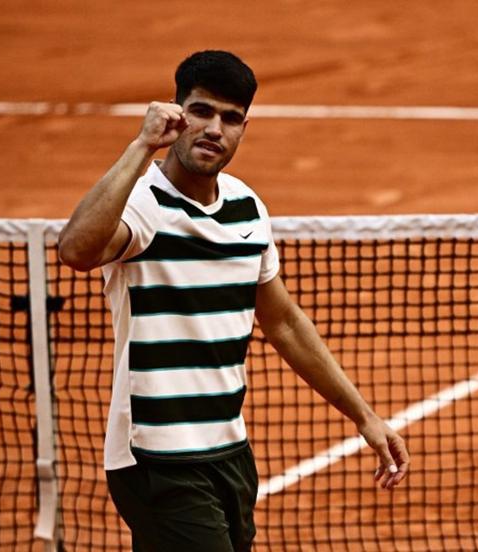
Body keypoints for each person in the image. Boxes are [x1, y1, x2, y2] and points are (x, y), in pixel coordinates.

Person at [58, 50, 409, 551]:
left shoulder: (247, 207)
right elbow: (76, 250)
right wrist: (141, 145)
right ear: (176, 113)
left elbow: (283, 322)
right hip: (156, 455)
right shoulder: (141, 204)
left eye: (230, 118)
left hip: (229, 452)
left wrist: (365, 416)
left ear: (244, 127)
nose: (214, 129)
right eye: (200, 111)